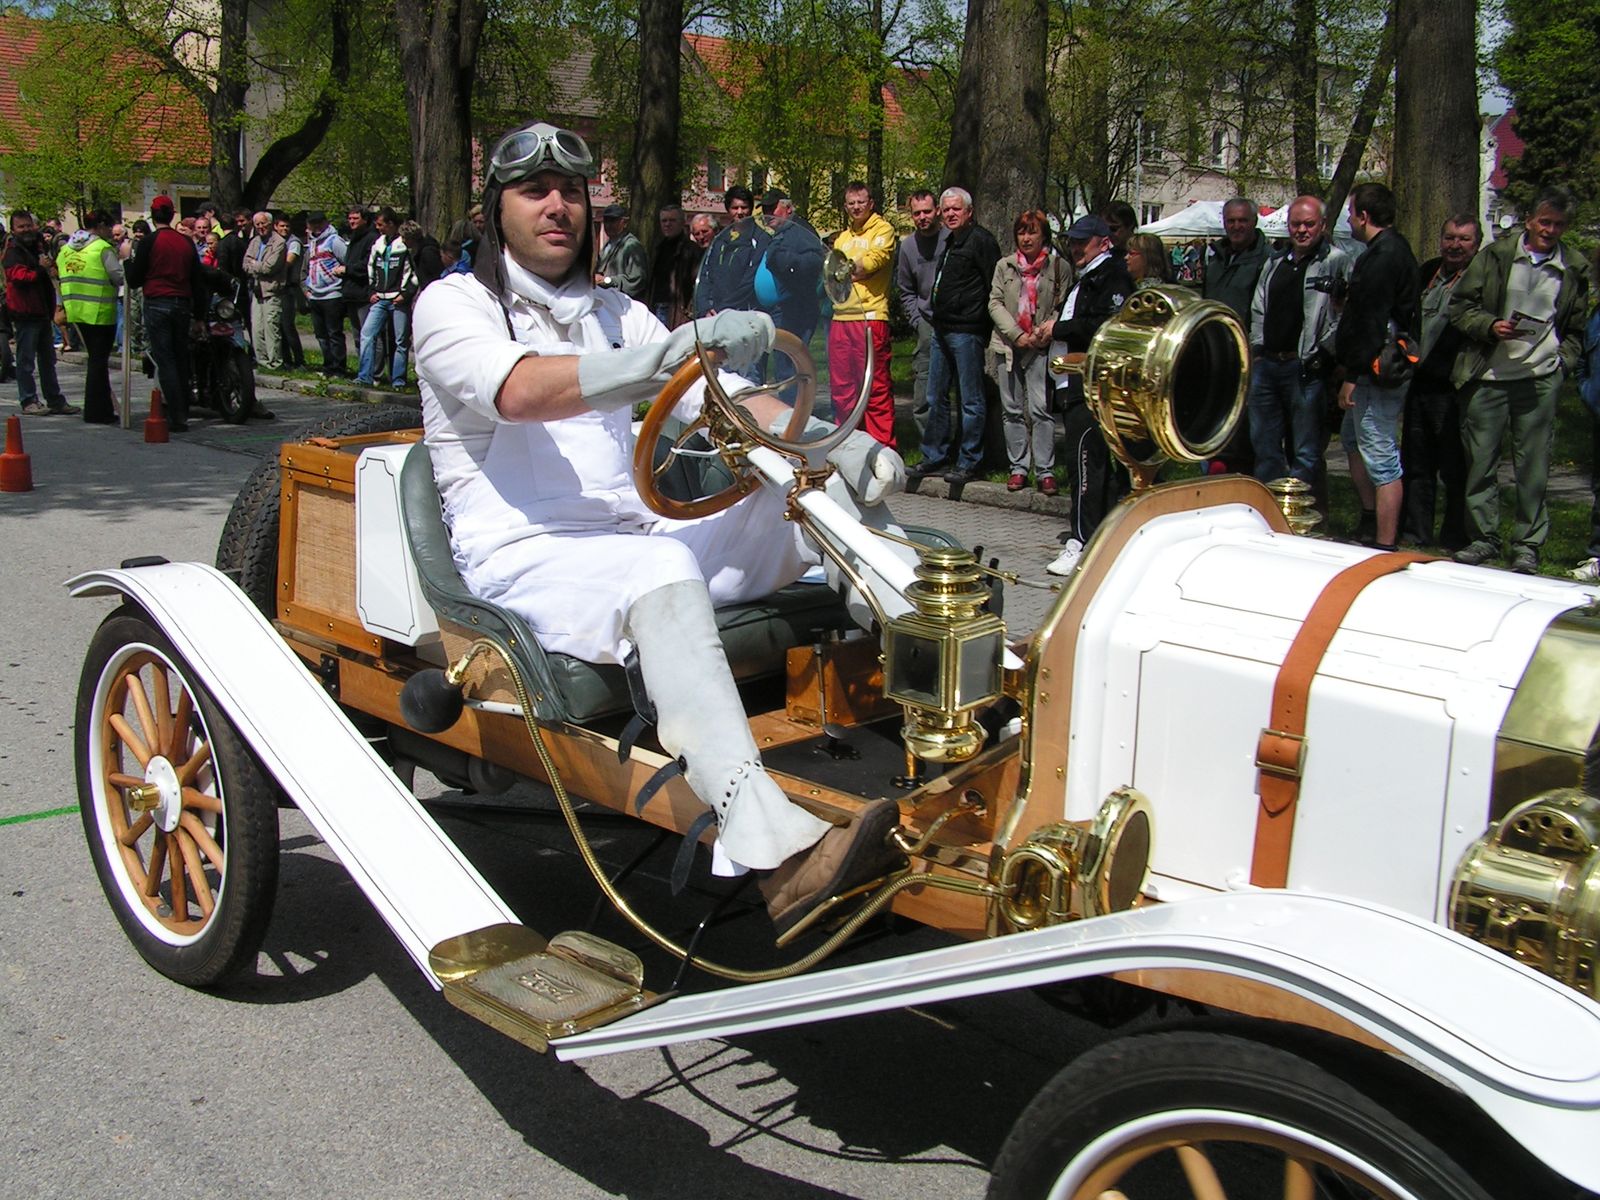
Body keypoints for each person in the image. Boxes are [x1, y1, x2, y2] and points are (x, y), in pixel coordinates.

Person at [412, 120, 907, 935]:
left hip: (634, 539)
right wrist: (677, 353)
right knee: (658, 571)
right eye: (534, 192)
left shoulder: (616, 312)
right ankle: (773, 853)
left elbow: (726, 398)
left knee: (808, 488)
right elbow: (519, 391)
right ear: (495, 210)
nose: (557, 206)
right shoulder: (455, 304)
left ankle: (936, 703)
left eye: (571, 192)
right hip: (524, 558)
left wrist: (833, 444)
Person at [1450, 187, 1591, 573]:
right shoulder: (1496, 256)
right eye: (1544, 222)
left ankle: (1528, 544)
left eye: (1558, 225)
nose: (1550, 230)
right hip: (1489, 374)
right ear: (1529, 220)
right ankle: (1484, 538)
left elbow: (1576, 327)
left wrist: (1562, 363)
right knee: (1481, 462)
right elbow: (1460, 306)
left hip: (1539, 377)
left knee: (1534, 466)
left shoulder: (1573, 267)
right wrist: (1490, 325)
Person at [1046, 214, 1136, 576]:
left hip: (1093, 384)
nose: (1076, 248)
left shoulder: (1112, 276)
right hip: (1073, 383)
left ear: (1104, 242)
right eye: (1073, 241)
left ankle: (1081, 541)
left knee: (1086, 464)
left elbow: (1107, 325)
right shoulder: (1087, 276)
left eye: (1083, 242)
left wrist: (1059, 328)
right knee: (1088, 463)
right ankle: (1095, 535)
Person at [1334, 182, 1419, 553]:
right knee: (1353, 440)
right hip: (1373, 365)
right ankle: (1370, 521)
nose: (1349, 221)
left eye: (1351, 213)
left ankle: (1385, 543)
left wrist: (1352, 377)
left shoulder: (1385, 256)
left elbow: (1373, 324)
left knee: (1380, 453)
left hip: (1376, 371)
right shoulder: (1385, 251)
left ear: (1364, 216)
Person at [1245, 195, 1350, 486]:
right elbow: (1258, 308)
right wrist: (1257, 349)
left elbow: (1346, 315)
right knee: (1265, 449)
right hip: (1267, 365)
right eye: (1296, 224)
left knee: (1305, 452)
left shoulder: (1336, 261)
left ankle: (1306, 510)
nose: (1301, 230)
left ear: (1323, 225)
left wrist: (1324, 353)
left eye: (1309, 224)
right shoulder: (1275, 261)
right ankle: (1271, 505)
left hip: (1305, 368)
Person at [906, 186, 1000, 487]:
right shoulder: (950, 240)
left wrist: (981, 324)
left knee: (970, 399)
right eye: (946, 209)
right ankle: (935, 455)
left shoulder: (981, 241)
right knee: (935, 396)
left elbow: (993, 286)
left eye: (955, 209)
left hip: (967, 330)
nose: (950, 214)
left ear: (969, 211)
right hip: (941, 328)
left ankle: (969, 460)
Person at [1399, 214, 1480, 550]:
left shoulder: (1480, 279)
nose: (1455, 245)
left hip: (1454, 387)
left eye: (1463, 239)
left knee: (1454, 468)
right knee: (1417, 464)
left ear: (1476, 244)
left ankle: (1455, 536)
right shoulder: (1428, 271)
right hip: (1418, 383)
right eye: (1449, 238)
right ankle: (1416, 532)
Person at [988, 209, 1070, 494]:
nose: (1026, 238)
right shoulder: (1005, 266)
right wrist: (1017, 334)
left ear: (1043, 235)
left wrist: (1043, 331)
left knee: (1041, 410)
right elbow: (995, 303)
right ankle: (1018, 467)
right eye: (1022, 232)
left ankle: (1045, 470)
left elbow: (1063, 305)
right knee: (1011, 410)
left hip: (1041, 346)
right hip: (1009, 345)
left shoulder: (1058, 267)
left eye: (1032, 232)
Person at [124, 194, 205, 430]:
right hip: (182, 303)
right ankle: (183, 408)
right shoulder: (186, 242)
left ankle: (176, 415)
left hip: (157, 302)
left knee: (165, 358)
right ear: (171, 215)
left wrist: (127, 260)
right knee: (180, 357)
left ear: (152, 216)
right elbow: (197, 280)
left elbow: (135, 279)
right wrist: (199, 316)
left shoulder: (150, 242)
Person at [828, 181, 898, 447]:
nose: (856, 207)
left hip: (870, 317)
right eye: (851, 203)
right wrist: (846, 272)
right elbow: (832, 275)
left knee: (875, 388)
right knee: (843, 390)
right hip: (840, 318)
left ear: (871, 204)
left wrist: (848, 269)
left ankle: (883, 450)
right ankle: (846, 446)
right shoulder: (842, 238)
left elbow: (873, 261)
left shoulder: (883, 230)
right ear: (846, 206)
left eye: (861, 202)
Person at [1203, 197, 1270, 475]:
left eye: (1243, 220)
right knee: (1213, 427)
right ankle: (1213, 483)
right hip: (1215, 355)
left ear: (1254, 222)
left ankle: (1245, 484)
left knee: (1245, 434)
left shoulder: (1266, 259)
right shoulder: (1215, 257)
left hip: (1249, 357)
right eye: (1231, 221)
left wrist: (1256, 349)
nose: (1236, 226)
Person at [5, 210, 77, 415]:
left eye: (28, 225)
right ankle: (28, 400)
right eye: (21, 226)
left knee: (48, 360)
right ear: (13, 229)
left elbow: (48, 267)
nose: (26, 229)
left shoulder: (38, 245)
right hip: (25, 312)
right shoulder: (12, 251)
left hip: (43, 311)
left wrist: (52, 268)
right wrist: (39, 269)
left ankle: (55, 400)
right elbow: (19, 277)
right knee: (26, 361)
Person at [56, 210, 124, 424]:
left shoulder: (66, 248)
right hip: (99, 311)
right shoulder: (102, 248)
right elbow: (118, 277)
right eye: (109, 227)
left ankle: (100, 408)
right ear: (101, 226)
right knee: (98, 363)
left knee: (95, 361)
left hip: (76, 310)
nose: (111, 232)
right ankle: (97, 411)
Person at [894, 189, 945, 421]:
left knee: (957, 388)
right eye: (917, 213)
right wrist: (917, 321)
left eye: (927, 211)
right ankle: (929, 440)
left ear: (937, 211)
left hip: (956, 322)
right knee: (923, 388)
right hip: (926, 322)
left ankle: (958, 440)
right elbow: (905, 289)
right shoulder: (908, 247)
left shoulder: (951, 239)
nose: (922, 217)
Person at [355, 208, 416, 389]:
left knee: (400, 341)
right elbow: (371, 267)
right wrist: (371, 290)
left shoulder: (404, 244)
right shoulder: (379, 243)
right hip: (380, 298)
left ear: (391, 224)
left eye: (381, 224)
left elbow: (414, 272)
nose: (378, 228)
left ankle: (398, 380)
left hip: (398, 299)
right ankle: (365, 376)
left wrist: (405, 293)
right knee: (367, 334)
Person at [694, 186, 766, 317]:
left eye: (744, 207)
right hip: (714, 314)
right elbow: (705, 275)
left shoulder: (761, 239)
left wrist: (724, 308)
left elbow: (750, 281)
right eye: (735, 208)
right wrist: (705, 307)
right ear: (728, 210)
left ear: (751, 209)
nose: (740, 212)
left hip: (744, 312)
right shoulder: (719, 239)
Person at [302, 210, 347, 377]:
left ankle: (339, 368)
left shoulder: (334, 241)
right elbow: (308, 267)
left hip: (332, 294)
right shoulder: (312, 243)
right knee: (321, 335)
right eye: (312, 225)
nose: (316, 228)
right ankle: (328, 367)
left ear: (325, 223)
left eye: (318, 224)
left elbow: (346, 261)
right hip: (315, 295)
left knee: (334, 334)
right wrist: (307, 290)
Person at [242, 211, 288, 370]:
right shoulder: (254, 241)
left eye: (263, 223)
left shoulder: (279, 242)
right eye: (257, 224)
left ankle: (275, 362)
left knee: (271, 328)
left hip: (272, 290)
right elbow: (245, 263)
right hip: (256, 290)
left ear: (270, 224)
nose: (261, 227)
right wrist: (257, 266)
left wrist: (255, 264)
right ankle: (262, 361)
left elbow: (270, 267)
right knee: (256, 328)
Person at [646, 204, 699, 329]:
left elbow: (696, 284)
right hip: (656, 306)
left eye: (672, 220)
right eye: (664, 221)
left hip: (677, 311)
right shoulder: (658, 249)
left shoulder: (691, 250)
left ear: (682, 223)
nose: (667, 224)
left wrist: (688, 311)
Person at [594, 204, 647, 299]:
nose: (608, 225)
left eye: (613, 221)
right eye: (606, 221)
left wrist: (607, 280)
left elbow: (637, 280)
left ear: (624, 222)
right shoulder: (608, 244)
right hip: (606, 299)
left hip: (624, 302)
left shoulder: (631, 246)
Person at [275, 214, 306, 368]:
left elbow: (289, 262)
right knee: (279, 326)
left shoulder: (294, 242)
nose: (285, 229)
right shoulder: (275, 241)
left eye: (287, 226)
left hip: (290, 288)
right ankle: (286, 360)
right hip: (278, 288)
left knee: (288, 325)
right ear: (276, 227)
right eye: (282, 226)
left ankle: (299, 361)